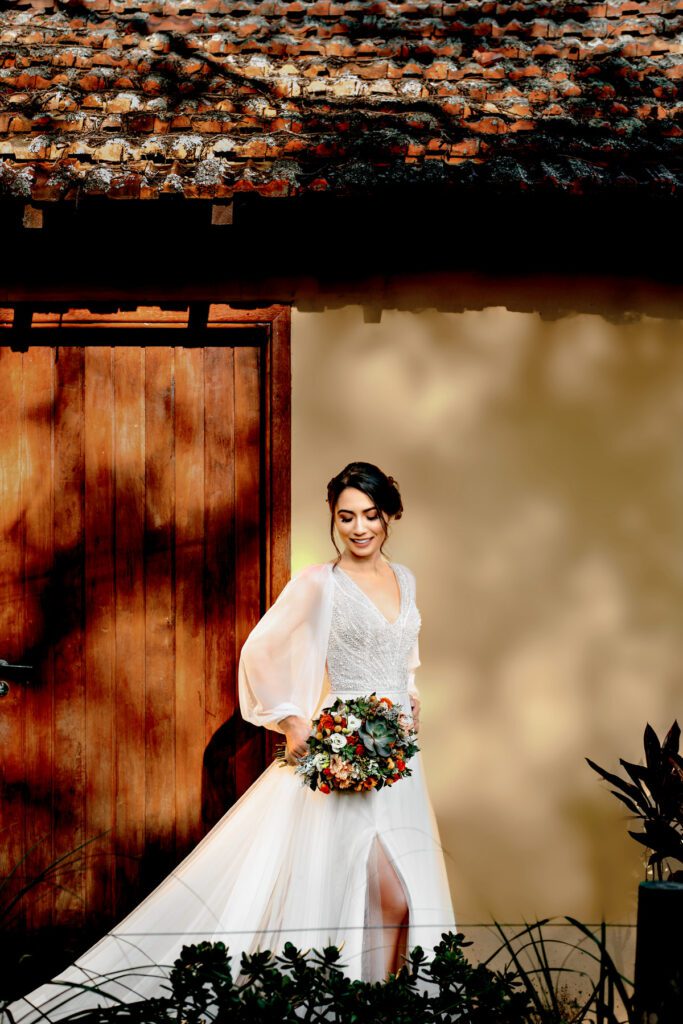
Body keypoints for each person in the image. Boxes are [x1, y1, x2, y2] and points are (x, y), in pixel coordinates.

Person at [5, 461, 456, 1022]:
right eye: (346, 517)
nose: (359, 528)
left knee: (396, 898)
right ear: (333, 520)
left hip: (399, 752)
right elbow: (259, 651)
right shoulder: (320, 583)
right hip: (345, 744)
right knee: (376, 889)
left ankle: (381, 1007)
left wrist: (410, 694)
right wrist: (295, 723)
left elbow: (402, 652)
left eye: (370, 515)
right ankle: (347, 1004)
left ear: (389, 516)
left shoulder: (405, 579)